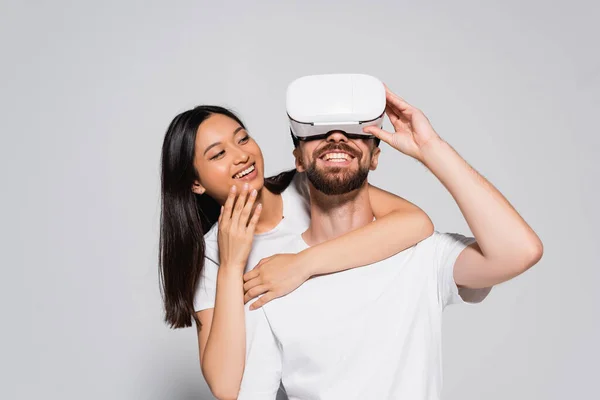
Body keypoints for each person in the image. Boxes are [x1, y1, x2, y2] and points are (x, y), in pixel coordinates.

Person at [236, 86, 544, 399]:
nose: (337, 137)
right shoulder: (272, 276)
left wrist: (430, 148)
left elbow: (520, 251)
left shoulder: (424, 255)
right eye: (318, 131)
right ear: (298, 160)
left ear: (375, 157)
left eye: (355, 130)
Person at [159, 106, 435, 399]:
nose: (242, 155)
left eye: (242, 139)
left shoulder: (306, 186)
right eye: (218, 154)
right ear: (195, 183)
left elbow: (415, 223)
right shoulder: (212, 256)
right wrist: (231, 264)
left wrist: (302, 264)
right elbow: (226, 387)